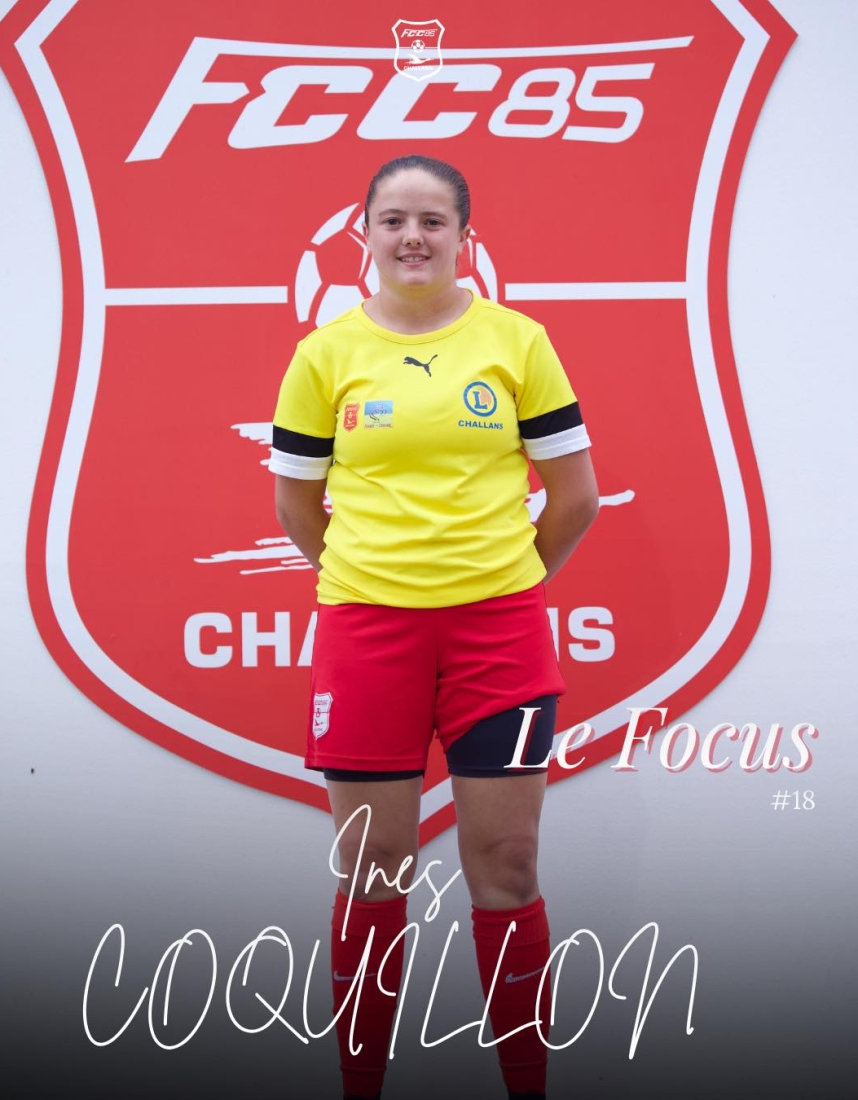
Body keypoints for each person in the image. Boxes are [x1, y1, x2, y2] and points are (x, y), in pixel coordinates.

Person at [271, 154, 599, 1100]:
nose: (412, 237)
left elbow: (575, 498)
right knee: (373, 866)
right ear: (365, 234)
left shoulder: (518, 342)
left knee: (508, 862)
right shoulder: (324, 354)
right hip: (368, 634)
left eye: (432, 221)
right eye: (394, 220)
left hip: (499, 634)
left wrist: (499, 584)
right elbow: (295, 506)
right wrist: (372, 580)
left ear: (464, 236)